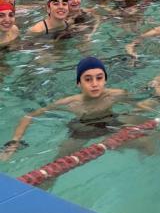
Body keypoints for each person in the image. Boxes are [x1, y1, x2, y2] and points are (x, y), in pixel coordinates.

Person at [0, 57, 150, 162]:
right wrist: (14, 141)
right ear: (79, 83)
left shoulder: (116, 95)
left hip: (111, 124)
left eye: (99, 78)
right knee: (56, 164)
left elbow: (139, 105)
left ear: (105, 80)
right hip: (81, 131)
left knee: (147, 143)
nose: (94, 84)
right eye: (88, 79)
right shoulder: (70, 103)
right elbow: (29, 116)